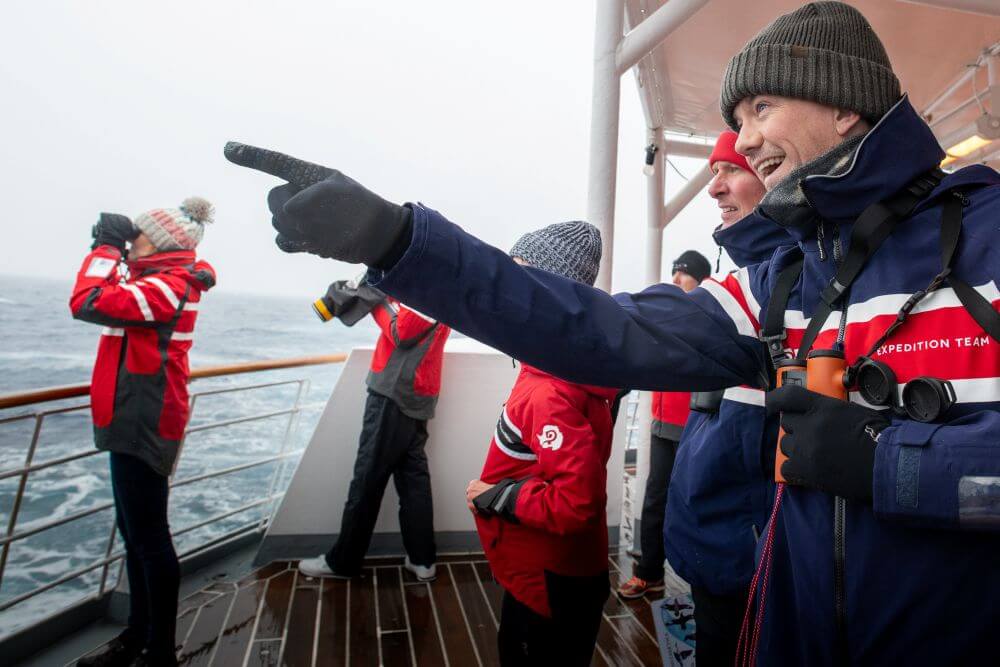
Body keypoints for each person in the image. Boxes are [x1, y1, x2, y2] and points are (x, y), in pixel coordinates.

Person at [225, 4, 1000, 662]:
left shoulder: (988, 237)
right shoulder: (781, 281)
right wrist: (398, 241)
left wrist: (887, 464)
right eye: (736, 122)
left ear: (844, 104)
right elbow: (598, 328)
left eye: (761, 108)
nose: (743, 143)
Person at [71, 199, 216, 667]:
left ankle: (159, 653)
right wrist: (111, 250)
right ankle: (137, 637)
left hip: (145, 419)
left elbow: (87, 302)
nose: (132, 240)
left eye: (139, 234)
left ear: (159, 243)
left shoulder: (168, 287)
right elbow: (107, 294)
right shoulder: (157, 281)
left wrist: (107, 248)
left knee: (150, 540)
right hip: (132, 415)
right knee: (135, 535)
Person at [464, 221, 612, 666]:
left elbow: (577, 504)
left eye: (518, 277)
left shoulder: (550, 390)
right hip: (551, 572)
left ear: (548, 295)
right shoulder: (562, 367)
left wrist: (496, 497)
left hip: (548, 582)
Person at [665, 132, 787, 666]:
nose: (714, 188)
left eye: (731, 169)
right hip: (713, 544)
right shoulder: (743, 283)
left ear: (776, 173)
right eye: (713, 171)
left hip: (745, 558)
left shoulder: (789, 292)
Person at [297, 279, 450, 582]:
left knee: (367, 479)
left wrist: (376, 298)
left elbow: (402, 332)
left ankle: (343, 562)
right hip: (417, 391)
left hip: (395, 393)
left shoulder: (430, 285)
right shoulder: (445, 283)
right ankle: (422, 559)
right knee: (413, 480)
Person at [618, 249, 710, 601]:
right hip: (661, 424)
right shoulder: (669, 315)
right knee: (655, 497)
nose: (674, 279)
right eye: (674, 272)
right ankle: (649, 573)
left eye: (682, 273)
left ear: (701, 279)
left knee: (693, 503)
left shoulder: (709, 318)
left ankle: (701, 586)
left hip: (694, 426)